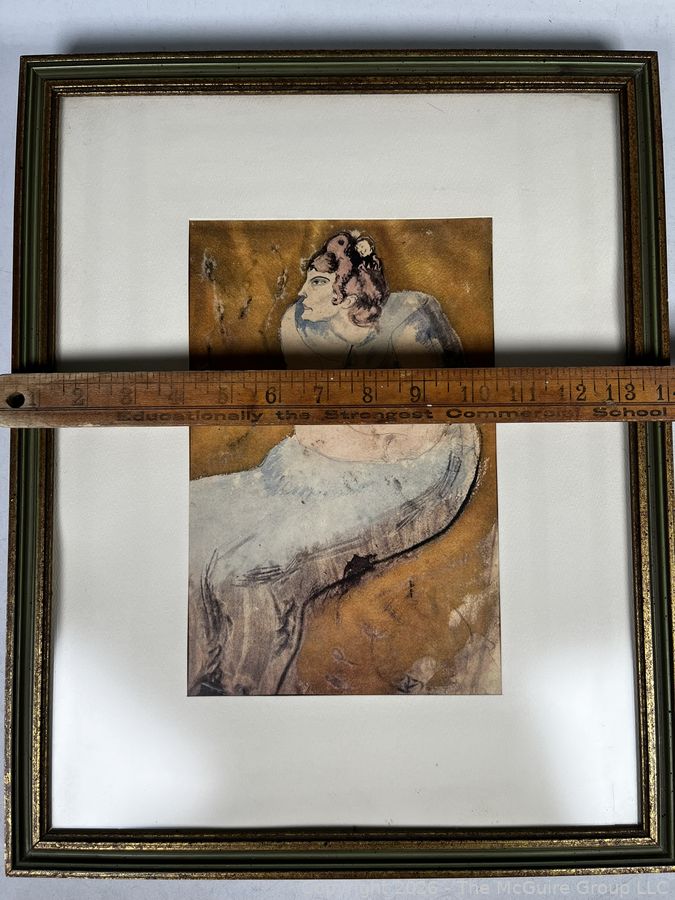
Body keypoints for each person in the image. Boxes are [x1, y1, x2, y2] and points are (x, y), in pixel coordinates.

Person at [188, 230, 480, 696]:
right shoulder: (297, 323)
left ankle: (240, 692)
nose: (304, 293)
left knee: (249, 574)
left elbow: (423, 434)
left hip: (421, 472)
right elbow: (312, 426)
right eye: (309, 280)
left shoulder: (412, 319)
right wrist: (363, 429)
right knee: (194, 516)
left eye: (320, 283)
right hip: (311, 464)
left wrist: (349, 431)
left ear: (352, 290)